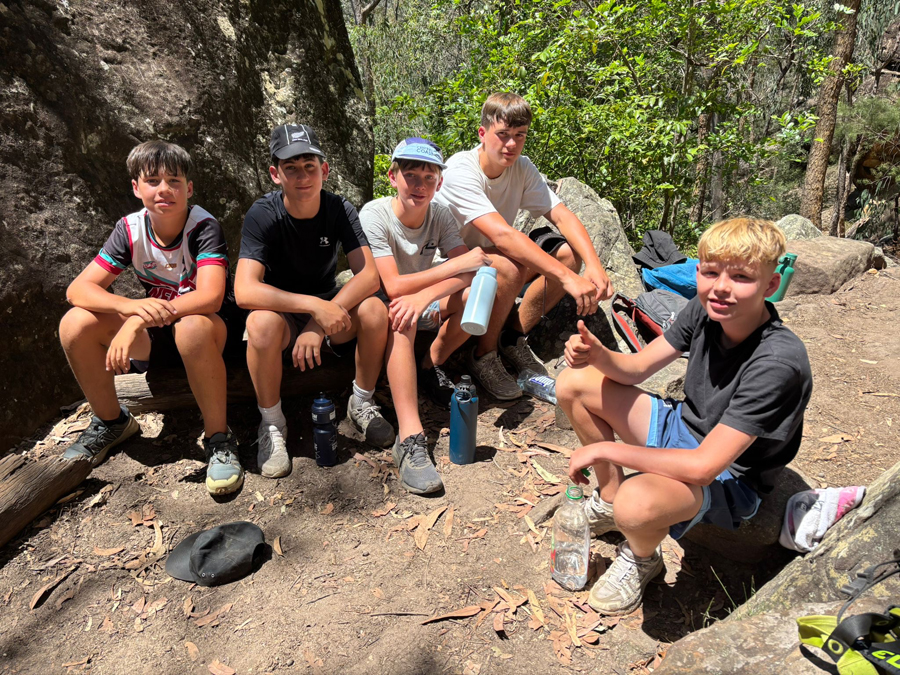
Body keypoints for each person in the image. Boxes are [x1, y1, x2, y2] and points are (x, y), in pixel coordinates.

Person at [556, 217, 812, 616]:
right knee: (574, 383)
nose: (721, 287)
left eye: (741, 277)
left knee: (635, 504)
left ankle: (642, 556)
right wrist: (597, 354)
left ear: (770, 284)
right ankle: (608, 500)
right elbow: (636, 369)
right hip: (684, 426)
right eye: (710, 272)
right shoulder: (705, 310)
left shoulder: (777, 363)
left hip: (729, 475)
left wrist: (606, 450)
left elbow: (704, 467)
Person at [59, 140, 244, 496]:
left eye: (174, 181)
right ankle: (112, 421)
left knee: (191, 327)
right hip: (160, 333)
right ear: (136, 187)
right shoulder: (129, 229)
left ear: (189, 188)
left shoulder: (203, 226)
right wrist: (129, 308)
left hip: (210, 333)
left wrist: (136, 321)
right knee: (75, 323)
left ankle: (219, 438)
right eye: (153, 181)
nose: (164, 190)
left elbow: (211, 297)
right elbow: (78, 290)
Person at [235, 124, 393, 479]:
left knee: (373, 308)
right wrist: (312, 308)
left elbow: (369, 276)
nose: (302, 176)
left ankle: (361, 401)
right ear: (275, 174)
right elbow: (245, 290)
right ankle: (272, 423)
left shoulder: (339, 209)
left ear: (324, 170)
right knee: (259, 323)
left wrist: (318, 322)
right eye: (291, 167)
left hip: (328, 311)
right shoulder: (263, 213)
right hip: (284, 313)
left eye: (309, 166)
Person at [434, 92, 614, 400]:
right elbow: (503, 237)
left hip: (487, 260)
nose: (511, 144)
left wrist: (593, 265)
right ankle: (484, 355)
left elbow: (562, 215)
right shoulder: (460, 172)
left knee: (568, 255)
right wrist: (568, 280)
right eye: (503, 134)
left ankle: (512, 337)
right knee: (509, 266)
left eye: (520, 135)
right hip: (449, 265)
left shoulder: (522, 168)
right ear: (482, 133)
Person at [360, 138, 492, 493]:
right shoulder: (375, 215)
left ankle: (429, 364)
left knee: (476, 294)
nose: (419, 186)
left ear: (439, 183)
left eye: (429, 178)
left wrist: (425, 296)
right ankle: (410, 437)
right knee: (401, 316)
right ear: (393, 177)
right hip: (387, 306)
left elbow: (472, 272)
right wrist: (450, 270)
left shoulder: (440, 214)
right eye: (411, 175)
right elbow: (392, 285)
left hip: (423, 302)